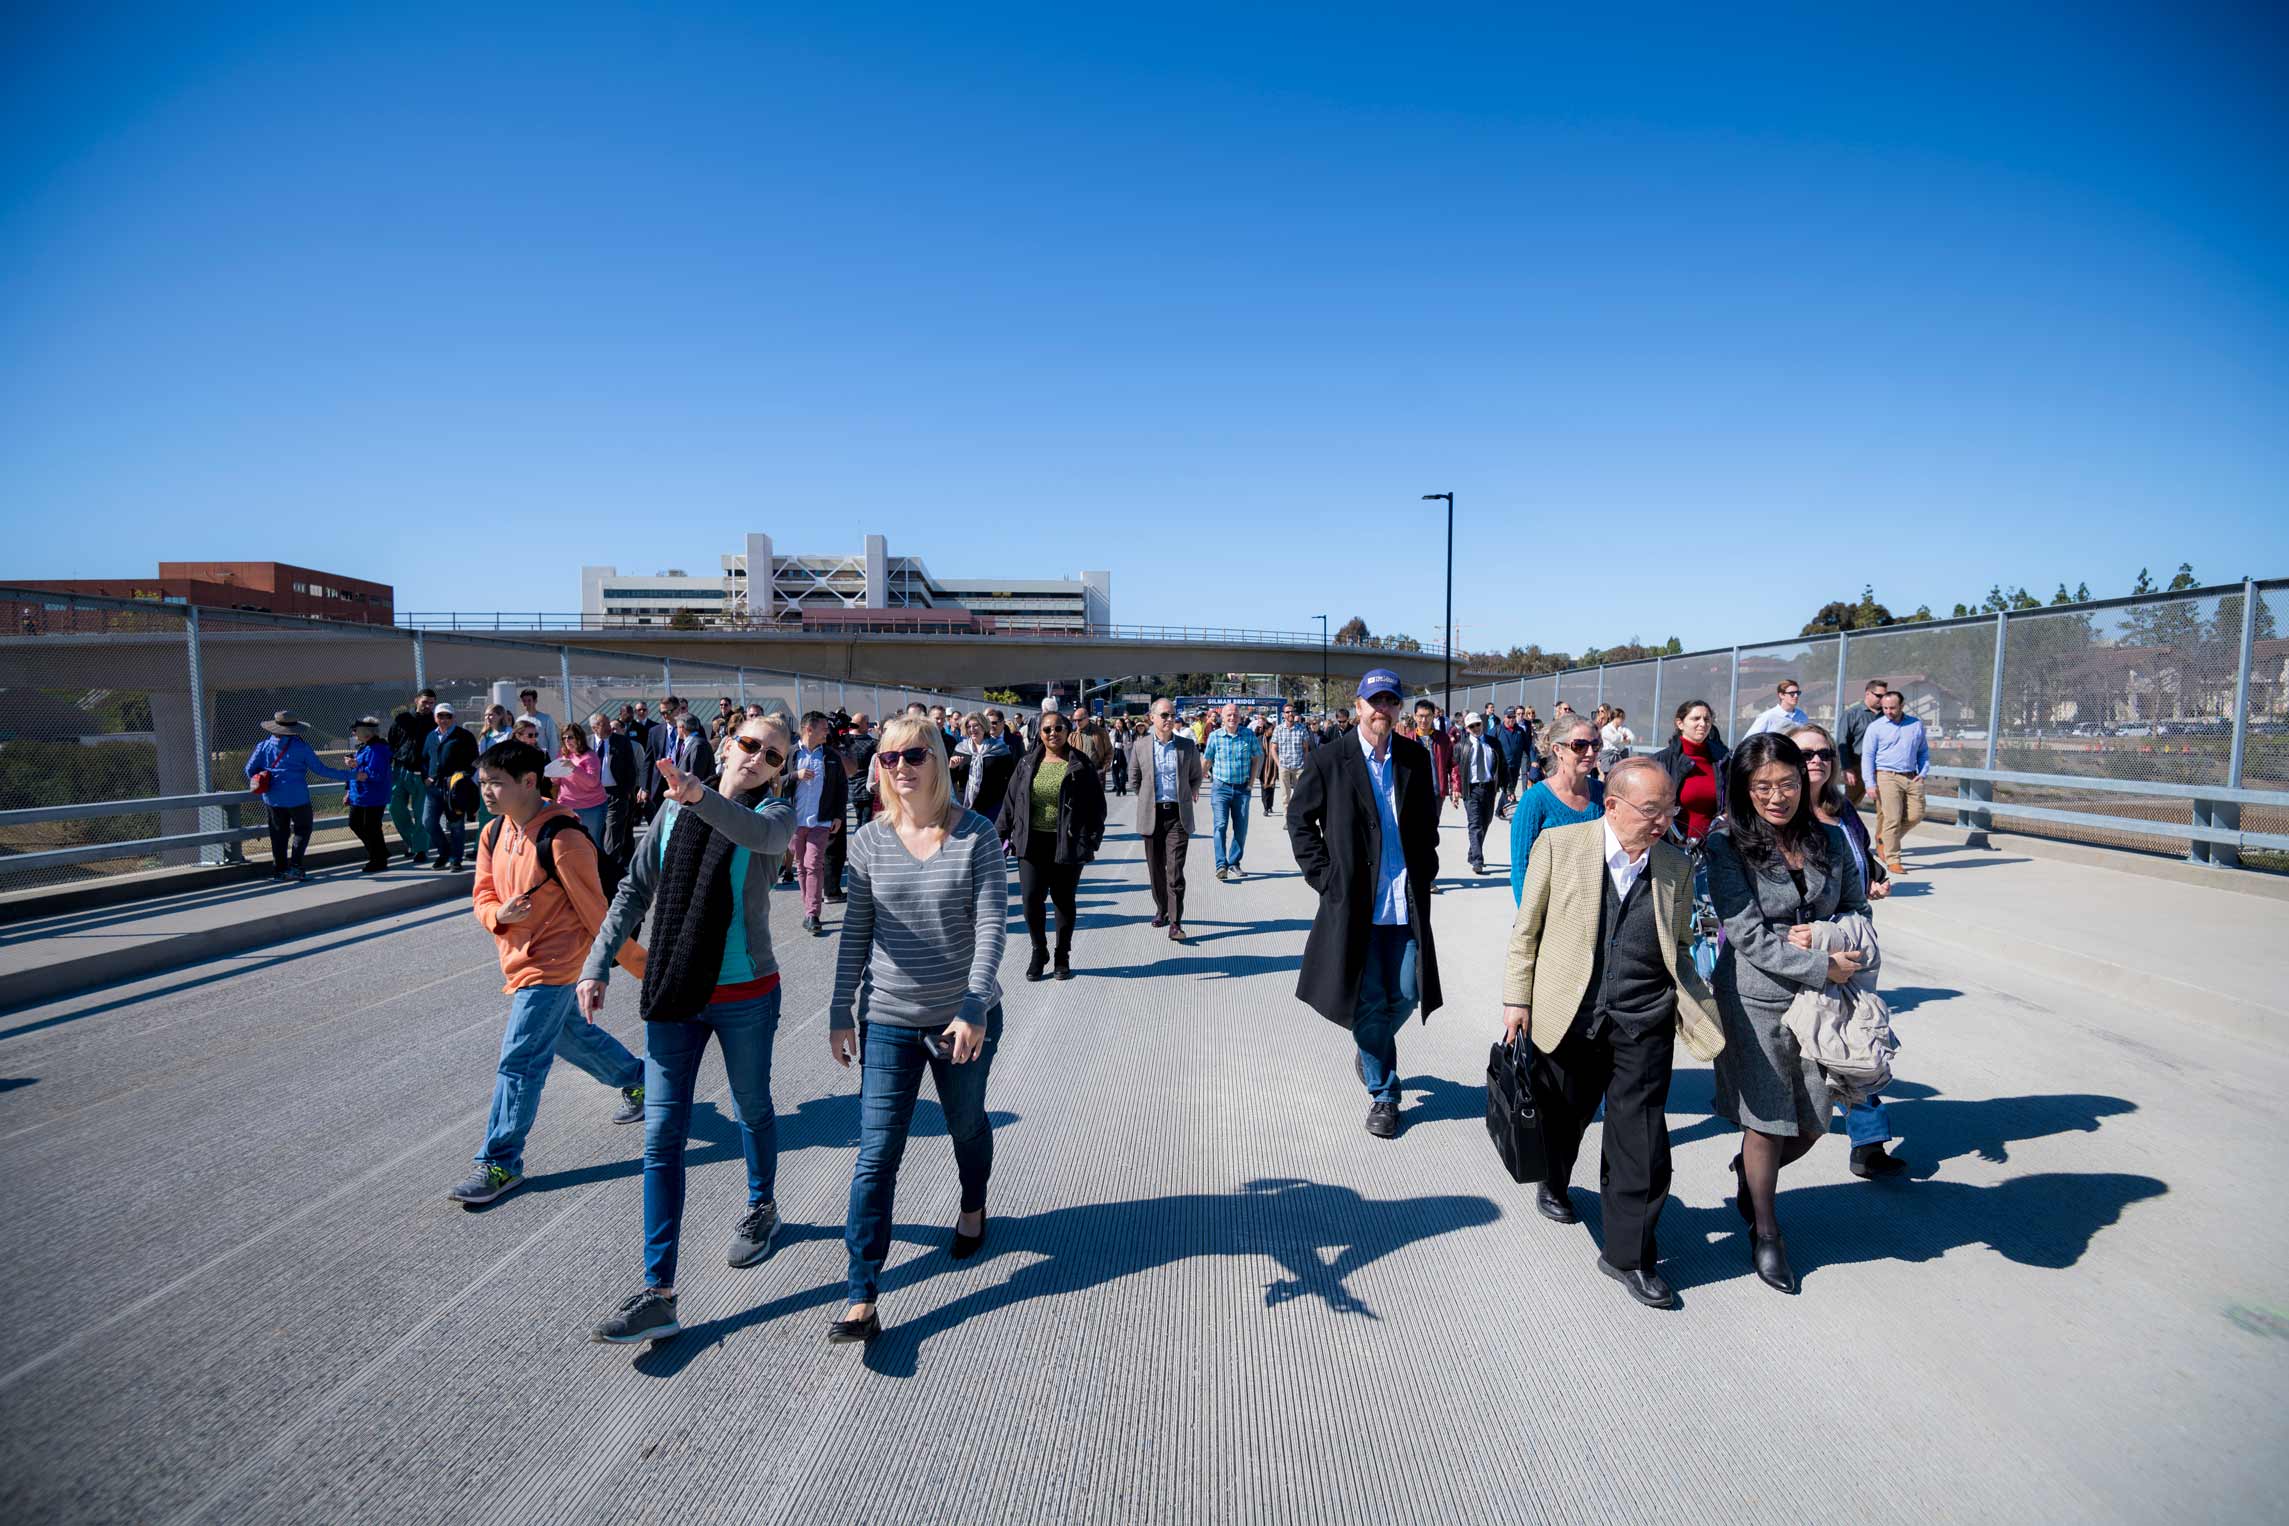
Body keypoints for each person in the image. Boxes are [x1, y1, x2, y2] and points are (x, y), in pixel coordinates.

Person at [579, 713, 800, 1344]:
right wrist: (598, 963)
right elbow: (633, 889)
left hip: (745, 992)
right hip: (675, 987)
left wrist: (701, 797)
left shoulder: (774, 817)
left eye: (774, 756)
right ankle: (659, 1291)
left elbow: (750, 831)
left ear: (782, 769)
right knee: (662, 1136)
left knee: (751, 1105)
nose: (759, 758)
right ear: (730, 745)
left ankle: (762, 1205)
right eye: (751, 745)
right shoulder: (674, 811)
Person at [1502, 758, 1726, 1309]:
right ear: (1613, 806)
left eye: (1668, 809)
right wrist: (1517, 998)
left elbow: (1676, 945)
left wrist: (1698, 1005)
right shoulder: (1560, 846)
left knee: (1642, 1138)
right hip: (1571, 1010)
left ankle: (1629, 1254)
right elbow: (1526, 929)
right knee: (1564, 1112)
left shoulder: (1674, 863)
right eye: (1651, 810)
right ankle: (1553, 1179)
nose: (1661, 821)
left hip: (1643, 1016)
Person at [826, 716, 1010, 1345]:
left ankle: (973, 1202)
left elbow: (991, 928)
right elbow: (856, 933)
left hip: (963, 1018)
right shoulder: (870, 841)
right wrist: (837, 1011)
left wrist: (975, 1003)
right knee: (876, 1153)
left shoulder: (977, 835)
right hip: (889, 1018)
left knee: (965, 1124)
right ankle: (861, 1293)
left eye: (913, 756)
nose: (900, 768)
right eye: (887, 759)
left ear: (938, 761)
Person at [447, 739, 646, 1207]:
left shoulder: (563, 838)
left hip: (555, 963)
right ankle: (641, 1080)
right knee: (565, 1036)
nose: (488, 792)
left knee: (520, 1060)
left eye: (497, 783)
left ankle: (500, 1161)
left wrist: (644, 968)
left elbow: (599, 913)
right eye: (483, 783)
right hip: (518, 957)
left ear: (529, 782)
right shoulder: (494, 833)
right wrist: (501, 917)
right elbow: (481, 895)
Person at [1705, 732, 1870, 1293]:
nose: (1777, 797)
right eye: (1763, 787)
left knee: (1818, 1117)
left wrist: (1830, 942)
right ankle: (1768, 1232)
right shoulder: (1726, 845)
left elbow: (1856, 906)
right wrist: (1823, 965)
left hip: (1822, 1001)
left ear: (1807, 781)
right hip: (1756, 997)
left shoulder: (1831, 839)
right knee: (1768, 1118)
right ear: (1744, 789)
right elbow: (1747, 933)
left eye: (1788, 783)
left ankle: (1750, 1182)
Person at [1289, 669, 1443, 1140]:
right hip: (1356, 905)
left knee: (1409, 990)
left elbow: (1425, 827)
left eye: (1390, 702)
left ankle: (1368, 1042)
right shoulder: (1331, 759)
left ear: (1399, 708)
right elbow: (1300, 820)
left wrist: (1427, 867)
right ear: (1358, 706)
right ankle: (1384, 1093)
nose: (1383, 709)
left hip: (1404, 902)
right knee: (1371, 998)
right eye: (1374, 701)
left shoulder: (1415, 758)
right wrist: (1326, 878)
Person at [1792, 722, 1904, 1180]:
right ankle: (1766, 1145)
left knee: (1856, 1031)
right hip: (1807, 943)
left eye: (1824, 753)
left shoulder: (1841, 809)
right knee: (1817, 1040)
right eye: (1804, 754)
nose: (1816, 761)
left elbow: (1863, 856)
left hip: (1853, 936)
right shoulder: (1781, 811)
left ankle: (1869, 1142)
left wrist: (1874, 877)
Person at [997, 707, 1105, 981]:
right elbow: (1011, 803)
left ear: (1068, 732)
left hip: (1066, 843)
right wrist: (999, 835)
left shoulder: (1080, 764)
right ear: (1039, 733)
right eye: (1047, 729)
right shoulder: (1026, 763)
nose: (1053, 733)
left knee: (1063, 900)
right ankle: (1039, 950)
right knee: (1031, 899)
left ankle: (1062, 954)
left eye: (1058, 728)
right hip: (1031, 842)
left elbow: (1096, 806)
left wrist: (1091, 840)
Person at [1126, 698, 1203, 941]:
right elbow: (1134, 779)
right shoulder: (1140, 746)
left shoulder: (1186, 746)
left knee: (1175, 870)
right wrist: (1148, 799)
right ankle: (1161, 909)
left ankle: (1176, 922)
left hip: (1177, 816)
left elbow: (1195, 775)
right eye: (1164, 715)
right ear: (1152, 718)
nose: (1169, 719)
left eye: (1172, 715)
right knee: (1156, 869)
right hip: (1153, 815)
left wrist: (1189, 791)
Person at [243, 710, 352, 881]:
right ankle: (296, 867)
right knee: (302, 830)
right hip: (298, 797)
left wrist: (266, 776)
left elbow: (249, 770)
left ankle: (279, 871)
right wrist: (351, 775)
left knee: (278, 834)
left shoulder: (262, 746)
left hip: (273, 798)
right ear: (294, 729)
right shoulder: (301, 747)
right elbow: (321, 770)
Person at [1509, 715, 1606, 905]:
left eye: (1595, 745)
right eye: (1579, 745)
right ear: (1558, 749)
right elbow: (1521, 868)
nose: (1589, 753)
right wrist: (1532, 922)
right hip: (1553, 914)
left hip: (1597, 911)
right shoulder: (1535, 799)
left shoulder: (1603, 793)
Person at [786, 710, 848, 936]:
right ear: (808, 729)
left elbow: (842, 787)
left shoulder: (830, 756)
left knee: (814, 864)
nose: (827, 732)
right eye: (823, 728)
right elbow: (775, 780)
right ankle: (808, 909)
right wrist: (795, 775)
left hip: (821, 820)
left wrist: (839, 815)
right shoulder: (791, 754)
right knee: (801, 866)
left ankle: (813, 913)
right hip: (795, 820)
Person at [1864, 689, 1929, 874]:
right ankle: (1893, 860)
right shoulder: (1876, 727)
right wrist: (1869, 783)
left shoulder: (1916, 725)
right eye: (1885, 708)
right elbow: (1867, 756)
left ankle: (1885, 838)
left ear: (1902, 705)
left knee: (1916, 815)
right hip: (1886, 776)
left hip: (1911, 775)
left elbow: (1923, 751)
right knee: (1892, 818)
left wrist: (1923, 772)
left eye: (1892, 708)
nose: (1888, 711)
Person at [1203, 702, 1264, 881]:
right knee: (1220, 826)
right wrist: (1194, 785)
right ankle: (1221, 865)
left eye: (1235, 714)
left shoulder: (1248, 735)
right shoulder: (1215, 737)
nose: (1232, 717)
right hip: (1221, 788)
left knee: (1241, 829)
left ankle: (1234, 862)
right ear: (1222, 717)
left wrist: (1251, 784)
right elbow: (1206, 761)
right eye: (1229, 714)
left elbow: (1256, 759)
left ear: (1239, 717)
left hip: (1242, 789)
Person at [1652, 700, 1728, 843]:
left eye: (1707, 719)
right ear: (1680, 723)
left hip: (1714, 847)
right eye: (1696, 718)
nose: (1703, 724)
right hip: (1673, 846)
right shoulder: (1662, 761)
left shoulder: (1722, 760)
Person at [422, 704, 480, 871]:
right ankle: (443, 852)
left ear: (453, 717)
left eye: (448, 716)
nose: (444, 719)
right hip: (434, 787)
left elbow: (473, 761)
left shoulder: (464, 736)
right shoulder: (431, 736)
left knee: (456, 824)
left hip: (455, 787)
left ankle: (456, 858)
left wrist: (463, 776)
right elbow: (424, 758)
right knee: (428, 822)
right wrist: (426, 776)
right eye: (440, 716)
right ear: (435, 718)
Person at [829, 712, 878, 903]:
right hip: (866, 790)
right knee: (864, 824)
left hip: (849, 790)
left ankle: (856, 857)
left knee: (858, 823)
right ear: (864, 724)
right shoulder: (872, 744)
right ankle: (860, 858)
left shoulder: (843, 744)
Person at [386, 688, 437, 863]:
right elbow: (391, 742)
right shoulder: (403, 720)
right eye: (425, 702)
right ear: (416, 700)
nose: (428, 706)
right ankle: (413, 842)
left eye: (431, 703)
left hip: (421, 773)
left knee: (420, 812)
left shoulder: (435, 723)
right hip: (399, 770)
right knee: (395, 808)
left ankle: (421, 849)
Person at [590, 711, 643, 874]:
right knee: (597, 831)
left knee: (613, 833)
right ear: (594, 728)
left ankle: (608, 870)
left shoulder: (621, 741)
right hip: (592, 795)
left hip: (616, 794)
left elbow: (631, 769)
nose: (608, 728)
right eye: (603, 725)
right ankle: (595, 865)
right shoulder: (585, 744)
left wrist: (627, 792)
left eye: (608, 724)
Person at [343, 716, 395, 872]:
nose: (354, 733)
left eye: (356, 731)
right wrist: (349, 792)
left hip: (372, 795)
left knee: (370, 827)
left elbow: (375, 774)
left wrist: (355, 765)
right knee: (358, 824)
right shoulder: (366, 747)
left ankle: (378, 859)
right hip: (361, 794)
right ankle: (379, 854)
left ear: (366, 732)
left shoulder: (376, 749)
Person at [1456, 710, 1503, 875]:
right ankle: (1478, 860)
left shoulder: (1494, 743)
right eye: (1471, 726)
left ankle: (1472, 852)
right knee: (1475, 825)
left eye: (1477, 724)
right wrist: (1455, 789)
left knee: (1485, 823)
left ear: (1482, 724)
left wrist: (1509, 788)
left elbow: (1501, 765)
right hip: (1471, 790)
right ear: (1467, 729)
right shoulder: (1461, 746)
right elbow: (1456, 770)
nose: (1475, 728)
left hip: (1489, 788)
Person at [555, 721, 607, 845]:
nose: (567, 740)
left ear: (579, 738)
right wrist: (554, 776)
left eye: (570, 737)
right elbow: (558, 781)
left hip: (591, 807)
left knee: (591, 843)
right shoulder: (562, 755)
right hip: (566, 805)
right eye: (564, 737)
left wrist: (574, 768)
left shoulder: (590, 756)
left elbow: (593, 782)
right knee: (570, 843)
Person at [1838, 680, 1889, 805]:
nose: (1882, 699)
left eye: (1884, 696)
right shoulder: (1852, 714)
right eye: (1879, 696)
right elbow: (1842, 742)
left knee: (1886, 806)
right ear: (1867, 693)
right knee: (1849, 804)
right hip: (1857, 767)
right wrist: (1847, 768)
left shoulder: (1887, 715)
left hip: (1881, 768)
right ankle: (1839, 824)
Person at [1270, 704, 1314, 815]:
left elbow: (1306, 748)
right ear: (1283, 714)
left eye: (1292, 711)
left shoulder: (1302, 728)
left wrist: (1305, 763)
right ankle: (1288, 819)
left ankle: (1298, 818)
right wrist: (1278, 764)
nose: (1290, 714)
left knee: (1300, 794)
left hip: (1299, 767)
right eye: (1287, 712)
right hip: (1284, 767)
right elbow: (1273, 749)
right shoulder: (1278, 729)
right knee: (1285, 796)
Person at [1491, 707, 1531, 818]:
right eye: (1509, 717)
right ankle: (1494, 809)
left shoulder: (1520, 731)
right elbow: (1487, 743)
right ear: (1504, 717)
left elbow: (1528, 747)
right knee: (1495, 789)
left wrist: (1533, 761)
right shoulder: (1497, 730)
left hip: (1514, 766)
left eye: (1514, 717)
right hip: (1499, 767)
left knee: (1509, 789)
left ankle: (1500, 810)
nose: (1512, 719)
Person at [1745, 679, 1809, 738]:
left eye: (1798, 693)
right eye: (1792, 693)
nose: (1796, 696)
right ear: (1781, 695)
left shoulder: (1802, 716)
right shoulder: (1767, 716)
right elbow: (1749, 740)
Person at [516, 688, 559, 758]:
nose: (526, 703)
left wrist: (551, 760)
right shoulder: (519, 720)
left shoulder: (546, 718)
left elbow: (553, 741)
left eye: (529, 700)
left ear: (535, 701)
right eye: (524, 701)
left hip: (542, 758)